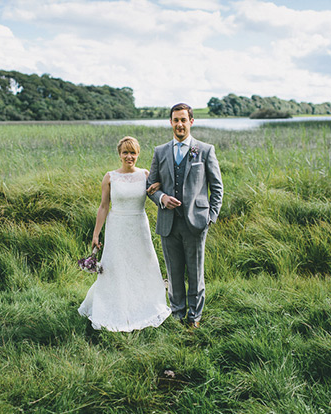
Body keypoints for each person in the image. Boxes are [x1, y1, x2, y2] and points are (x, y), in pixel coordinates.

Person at [78, 136, 171, 331]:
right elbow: (103, 207)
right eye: (125, 152)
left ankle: (144, 305)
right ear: (119, 154)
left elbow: (160, 187)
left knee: (142, 263)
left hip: (139, 225)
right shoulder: (110, 177)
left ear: (138, 154)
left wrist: (160, 186)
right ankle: (114, 305)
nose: (129, 156)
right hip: (117, 227)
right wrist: (96, 234)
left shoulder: (145, 174)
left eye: (133, 153)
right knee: (116, 265)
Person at [147, 103, 223, 328]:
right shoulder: (160, 151)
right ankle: (178, 313)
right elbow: (151, 185)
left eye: (183, 119)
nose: (179, 124)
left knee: (196, 272)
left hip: (197, 222)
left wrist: (211, 217)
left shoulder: (205, 150)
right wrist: (161, 198)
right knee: (174, 271)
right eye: (175, 120)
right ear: (170, 122)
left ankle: (195, 317)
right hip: (168, 223)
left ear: (191, 121)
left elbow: (217, 186)